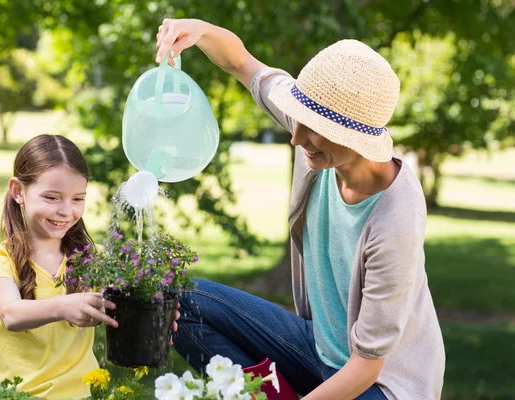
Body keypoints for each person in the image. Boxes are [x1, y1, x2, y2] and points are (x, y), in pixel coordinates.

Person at [156, 19, 445, 400]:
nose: (295, 138)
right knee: (178, 302)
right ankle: (264, 395)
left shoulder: (396, 220)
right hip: (316, 347)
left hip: (380, 385)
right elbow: (241, 62)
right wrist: (198, 30)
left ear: (353, 136)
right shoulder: (312, 125)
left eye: (309, 129)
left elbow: (365, 366)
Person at [0, 134, 119, 399]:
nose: (66, 211)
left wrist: (154, 317)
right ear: (18, 191)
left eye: (78, 199)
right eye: (52, 198)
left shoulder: (95, 259)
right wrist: (64, 306)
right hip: (16, 395)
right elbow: (11, 314)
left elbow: (125, 309)